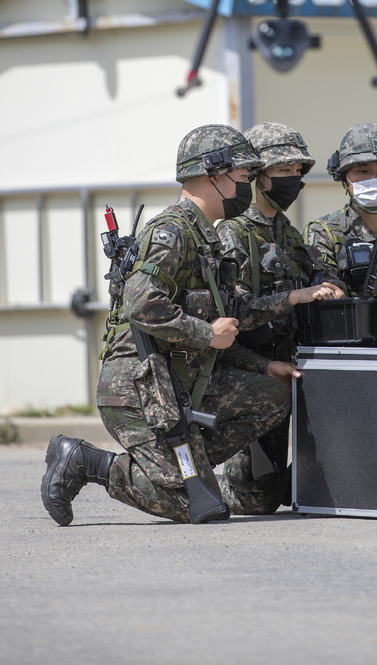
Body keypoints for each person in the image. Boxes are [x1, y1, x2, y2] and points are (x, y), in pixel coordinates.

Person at [41, 125, 299, 526]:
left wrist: (266, 360)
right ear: (215, 175)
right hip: (139, 391)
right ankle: (87, 462)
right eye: (245, 177)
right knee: (201, 507)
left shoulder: (205, 237)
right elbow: (140, 302)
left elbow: (231, 316)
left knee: (272, 397)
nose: (248, 186)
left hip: (184, 383)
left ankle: (180, 466)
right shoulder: (173, 231)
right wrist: (205, 335)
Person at [217, 122, 345, 513]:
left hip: (289, 364)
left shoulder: (287, 232)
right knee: (258, 499)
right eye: (282, 171)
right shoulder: (232, 233)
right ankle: (212, 483)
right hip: (250, 370)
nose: (292, 180)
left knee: (274, 491)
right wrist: (293, 297)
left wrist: (330, 284)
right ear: (256, 176)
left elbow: (318, 273)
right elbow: (233, 311)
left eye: (296, 172)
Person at [305, 123, 377, 295]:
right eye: (362, 171)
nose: (374, 179)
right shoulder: (325, 232)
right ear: (344, 180)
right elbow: (328, 291)